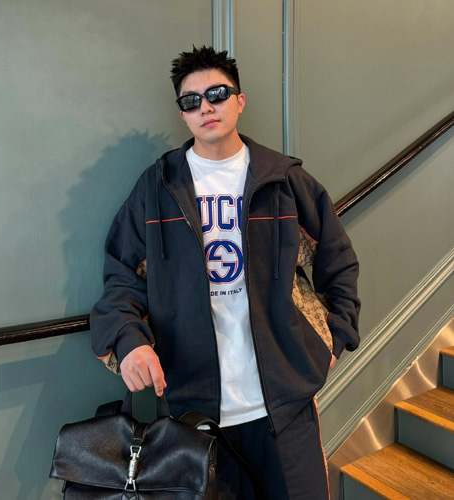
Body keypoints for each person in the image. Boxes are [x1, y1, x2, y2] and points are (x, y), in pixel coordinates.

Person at [90, 46, 360, 499]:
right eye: (191, 100)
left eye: (217, 93)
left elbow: (338, 260)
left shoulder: (284, 181)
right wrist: (128, 341)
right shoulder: (157, 188)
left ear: (240, 100)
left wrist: (334, 337)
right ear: (182, 114)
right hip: (194, 414)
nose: (206, 107)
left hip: (284, 404)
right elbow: (121, 277)